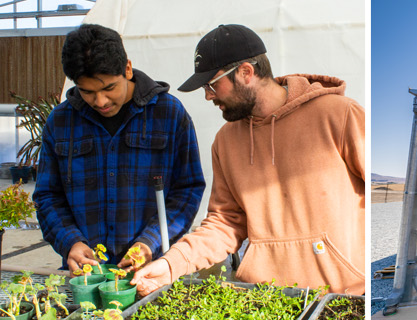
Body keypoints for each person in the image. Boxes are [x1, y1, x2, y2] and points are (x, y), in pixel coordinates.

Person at [131, 24, 366, 295]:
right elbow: (225, 223)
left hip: (342, 297)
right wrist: (171, 264)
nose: (207, 95)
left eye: (211, 84)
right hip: (261, 297)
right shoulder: (225, 141)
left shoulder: (339, 115)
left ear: (245, 72)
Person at [35, 24, 206, 274]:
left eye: (108, 88)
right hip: (85, 275)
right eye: (87, 92)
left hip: (152, 270)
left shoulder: (169, 114)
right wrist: (70, 241)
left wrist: (151, 241)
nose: (100, 102)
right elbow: (47, 195)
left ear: (127, 68)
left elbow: (188, 190)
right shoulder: (61, 122)